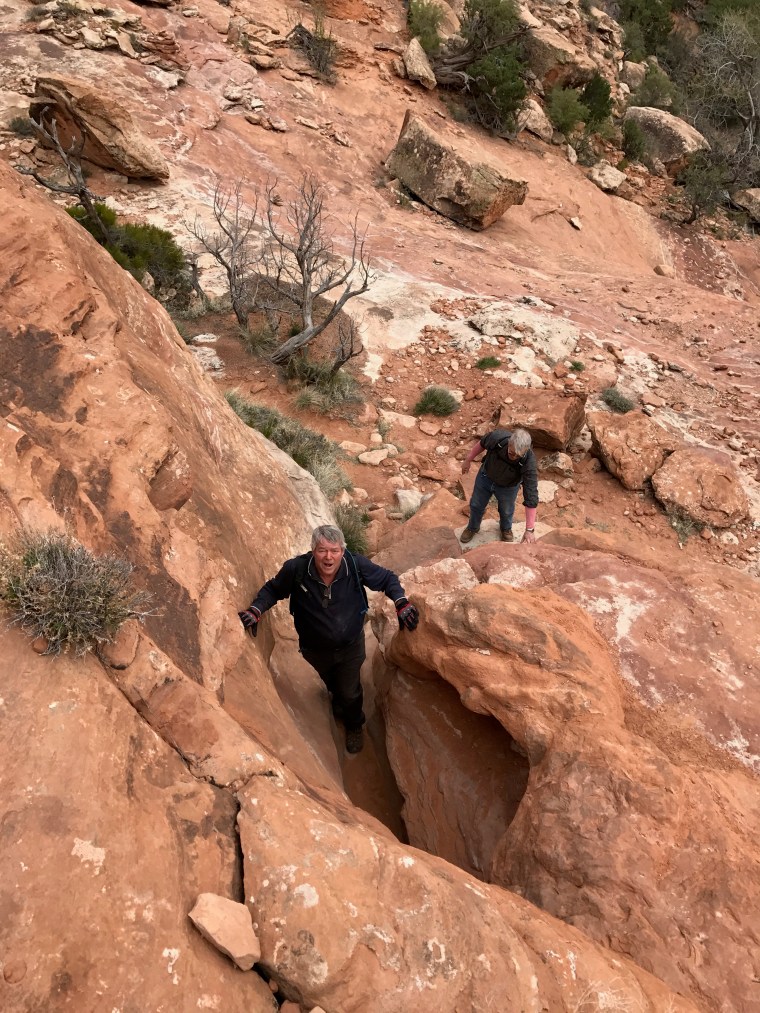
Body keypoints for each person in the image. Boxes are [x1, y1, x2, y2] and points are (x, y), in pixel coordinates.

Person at [238, 524, 419, 754]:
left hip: (350, 645)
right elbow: (273, 590)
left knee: (350, 690)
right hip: (314, 649)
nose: (328, 557)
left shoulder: (355, 565)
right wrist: (256, 610)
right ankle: (338, 698)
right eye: (322, 550)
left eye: (334, 550)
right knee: (331, 683)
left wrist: (401, 602)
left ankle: (354, 724)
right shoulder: (297, 569)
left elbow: (387, 579)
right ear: (313, 550)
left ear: (343, 552)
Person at [460, 427, 538, 544]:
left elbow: (531, 494)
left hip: (509, 487)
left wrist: (529, 530)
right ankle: (472, 527)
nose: (514, 457)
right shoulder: (498, 438)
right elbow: (482, 444)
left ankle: (506, 529)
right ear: (509, 443)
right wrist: (468, 460)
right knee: (476, 505)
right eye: (511, 453)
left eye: (518, 456)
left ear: (526, 450)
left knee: (506, 511)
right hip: (486, 477)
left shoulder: (528, 462)